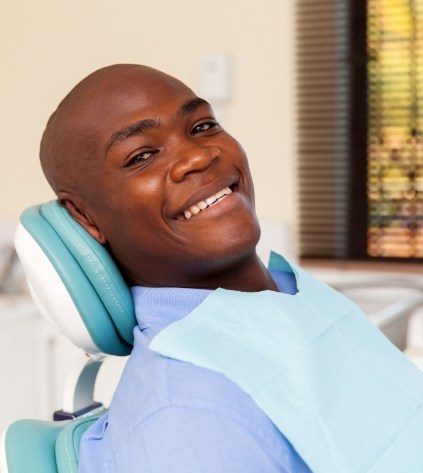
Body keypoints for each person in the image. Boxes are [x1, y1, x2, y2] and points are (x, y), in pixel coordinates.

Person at [40, 64, 311, 472]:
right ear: (85, 217)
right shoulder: (189, 422)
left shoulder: (292, 297)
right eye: (142, 156)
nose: (198, 156)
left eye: (202, 126)